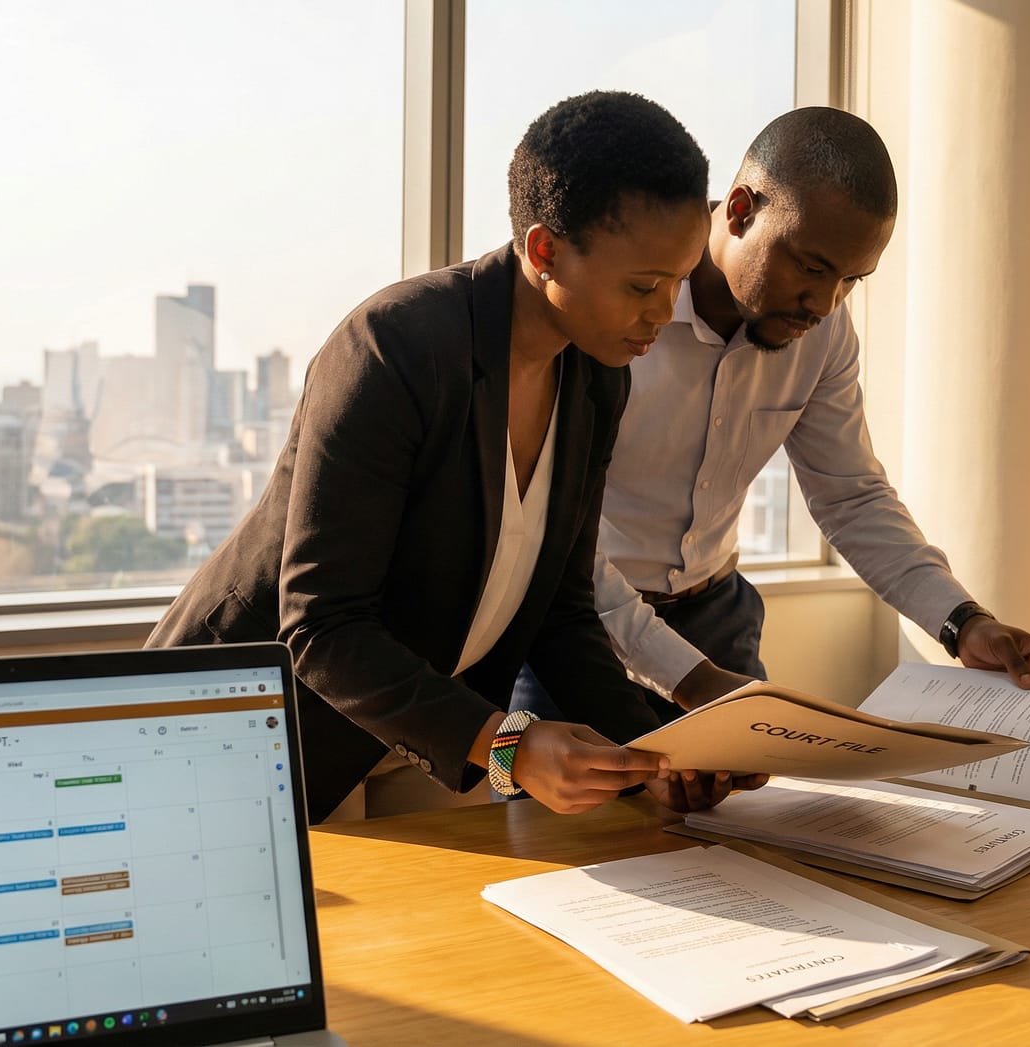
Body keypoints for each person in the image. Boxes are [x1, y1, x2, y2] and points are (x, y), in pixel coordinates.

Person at [147, 91, 719, 824]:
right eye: (643, 285)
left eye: (679, 279)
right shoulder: (393, 346)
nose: (664, 310)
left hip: (418, 733)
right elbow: (324, 627)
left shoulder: (594, 379)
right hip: (252, 730)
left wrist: (657, 755)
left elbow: (560, 610)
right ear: (544, 251)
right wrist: (508, 745)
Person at [516, 106, 1030, 729]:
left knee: (744, 825)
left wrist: (964, 622)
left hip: (718, 620)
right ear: (742, 209)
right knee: (536, 807)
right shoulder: (605, 314)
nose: (825, 303)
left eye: (851, 280)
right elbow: (550, 529)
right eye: (811, 267)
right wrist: (689, 680)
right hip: (575, 619)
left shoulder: (823, 330)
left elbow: (851, 497)